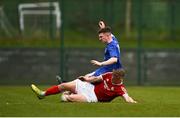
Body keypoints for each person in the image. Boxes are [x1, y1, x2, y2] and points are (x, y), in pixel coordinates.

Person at [31, 69, 137, 103]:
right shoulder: (109, 74)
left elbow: (127, 98)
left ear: (120, 78)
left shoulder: (120, 88)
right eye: (113, 74)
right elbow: (96, 79)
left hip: (92, 97)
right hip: (89, 87)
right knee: (63, 85)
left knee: (67, 98)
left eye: (115, 76)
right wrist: (86, 79)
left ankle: (68, 94)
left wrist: (133, 102)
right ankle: (42, 94)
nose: (112, 76)